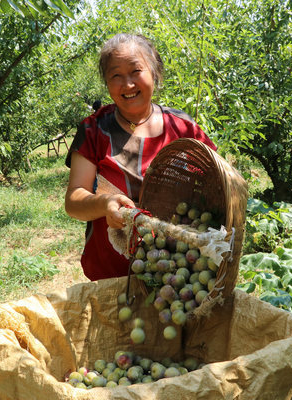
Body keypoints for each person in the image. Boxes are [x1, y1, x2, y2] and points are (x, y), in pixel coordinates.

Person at [64, 33, 217, 281]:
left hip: (179, 274)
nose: (128, 84)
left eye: (136, 71)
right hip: (111, 275)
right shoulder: (94, 131)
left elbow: (217, 183)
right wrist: (105, 204)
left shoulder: (184, 130)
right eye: (116, 75)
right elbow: (74, 199)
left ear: (154, 72)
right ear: (106, 82)